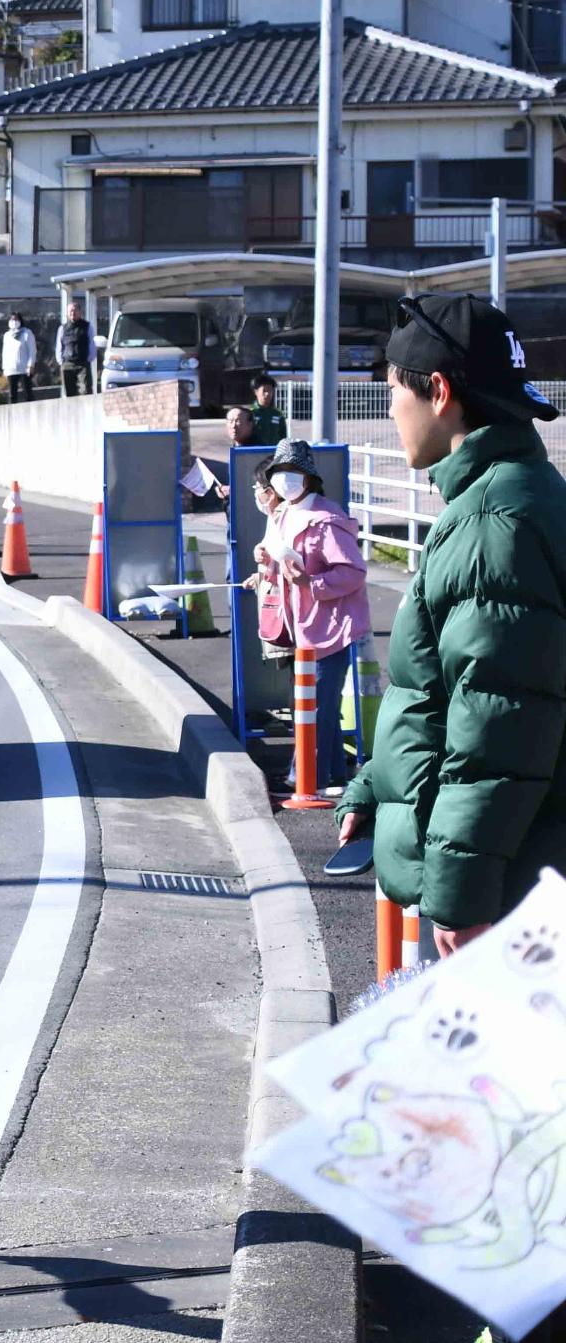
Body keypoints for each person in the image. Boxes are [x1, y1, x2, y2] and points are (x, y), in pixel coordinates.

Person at [338, 293, 566, 960]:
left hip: (508, 895)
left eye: (391, 391)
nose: (389, 411)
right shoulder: (518, 495)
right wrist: (378, 782)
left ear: (438, 392)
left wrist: (464, 897)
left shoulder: (491, 525)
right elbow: (445, 693)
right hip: (516, 871)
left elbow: (499, 727)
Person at [252, 439, 369, 793]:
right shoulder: (285, 513)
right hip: (302, 626)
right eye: (279, 473)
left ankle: (306, 778)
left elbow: (353, 572)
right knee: (321, 706)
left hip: (329, 628)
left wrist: (311, 581)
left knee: (316, 706)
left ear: (309, 477)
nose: (285, 480)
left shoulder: (327, 519)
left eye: (293, 472)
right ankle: (330, 775)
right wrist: (268, 562)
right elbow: (287, 566)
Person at [241, 461, 295, 669]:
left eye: (257, 488)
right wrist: (259, 578)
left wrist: (268, 562)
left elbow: (290, 562)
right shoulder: (275, 517)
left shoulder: (284, 517)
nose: (256, 494)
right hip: (282, 610)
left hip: (287, 615)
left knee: (301, 682)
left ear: (271, 493)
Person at [56, 300, 93, 397]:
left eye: (75, 310)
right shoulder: (62, 328)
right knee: (69, 393)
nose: (73, 313)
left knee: (86, 390)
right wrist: (61, 361)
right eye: (70, 311)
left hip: (82, 363)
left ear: (80, 312)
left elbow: (91, 344)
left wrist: (89, 359)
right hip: (67, 363)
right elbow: (59, 346)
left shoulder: (87, 326)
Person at [1, 312, 37, 403]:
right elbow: (5, 353)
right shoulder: (7, 335)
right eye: (12, 319)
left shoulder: (27, 333)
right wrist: (4, 368)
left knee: (27, 393)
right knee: (12, 395)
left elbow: (32, 350)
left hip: (24, 369)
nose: (14, 321)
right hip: (11, 369)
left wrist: (31, 365)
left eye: (16, 319)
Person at [248, 373, 289, 447]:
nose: (267, 394)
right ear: (256, 392)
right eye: (264, 390)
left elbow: (283, 438)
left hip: (274, 454)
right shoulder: (250, 413)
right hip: (254, 453)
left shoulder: (278, 414)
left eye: (270, 390)